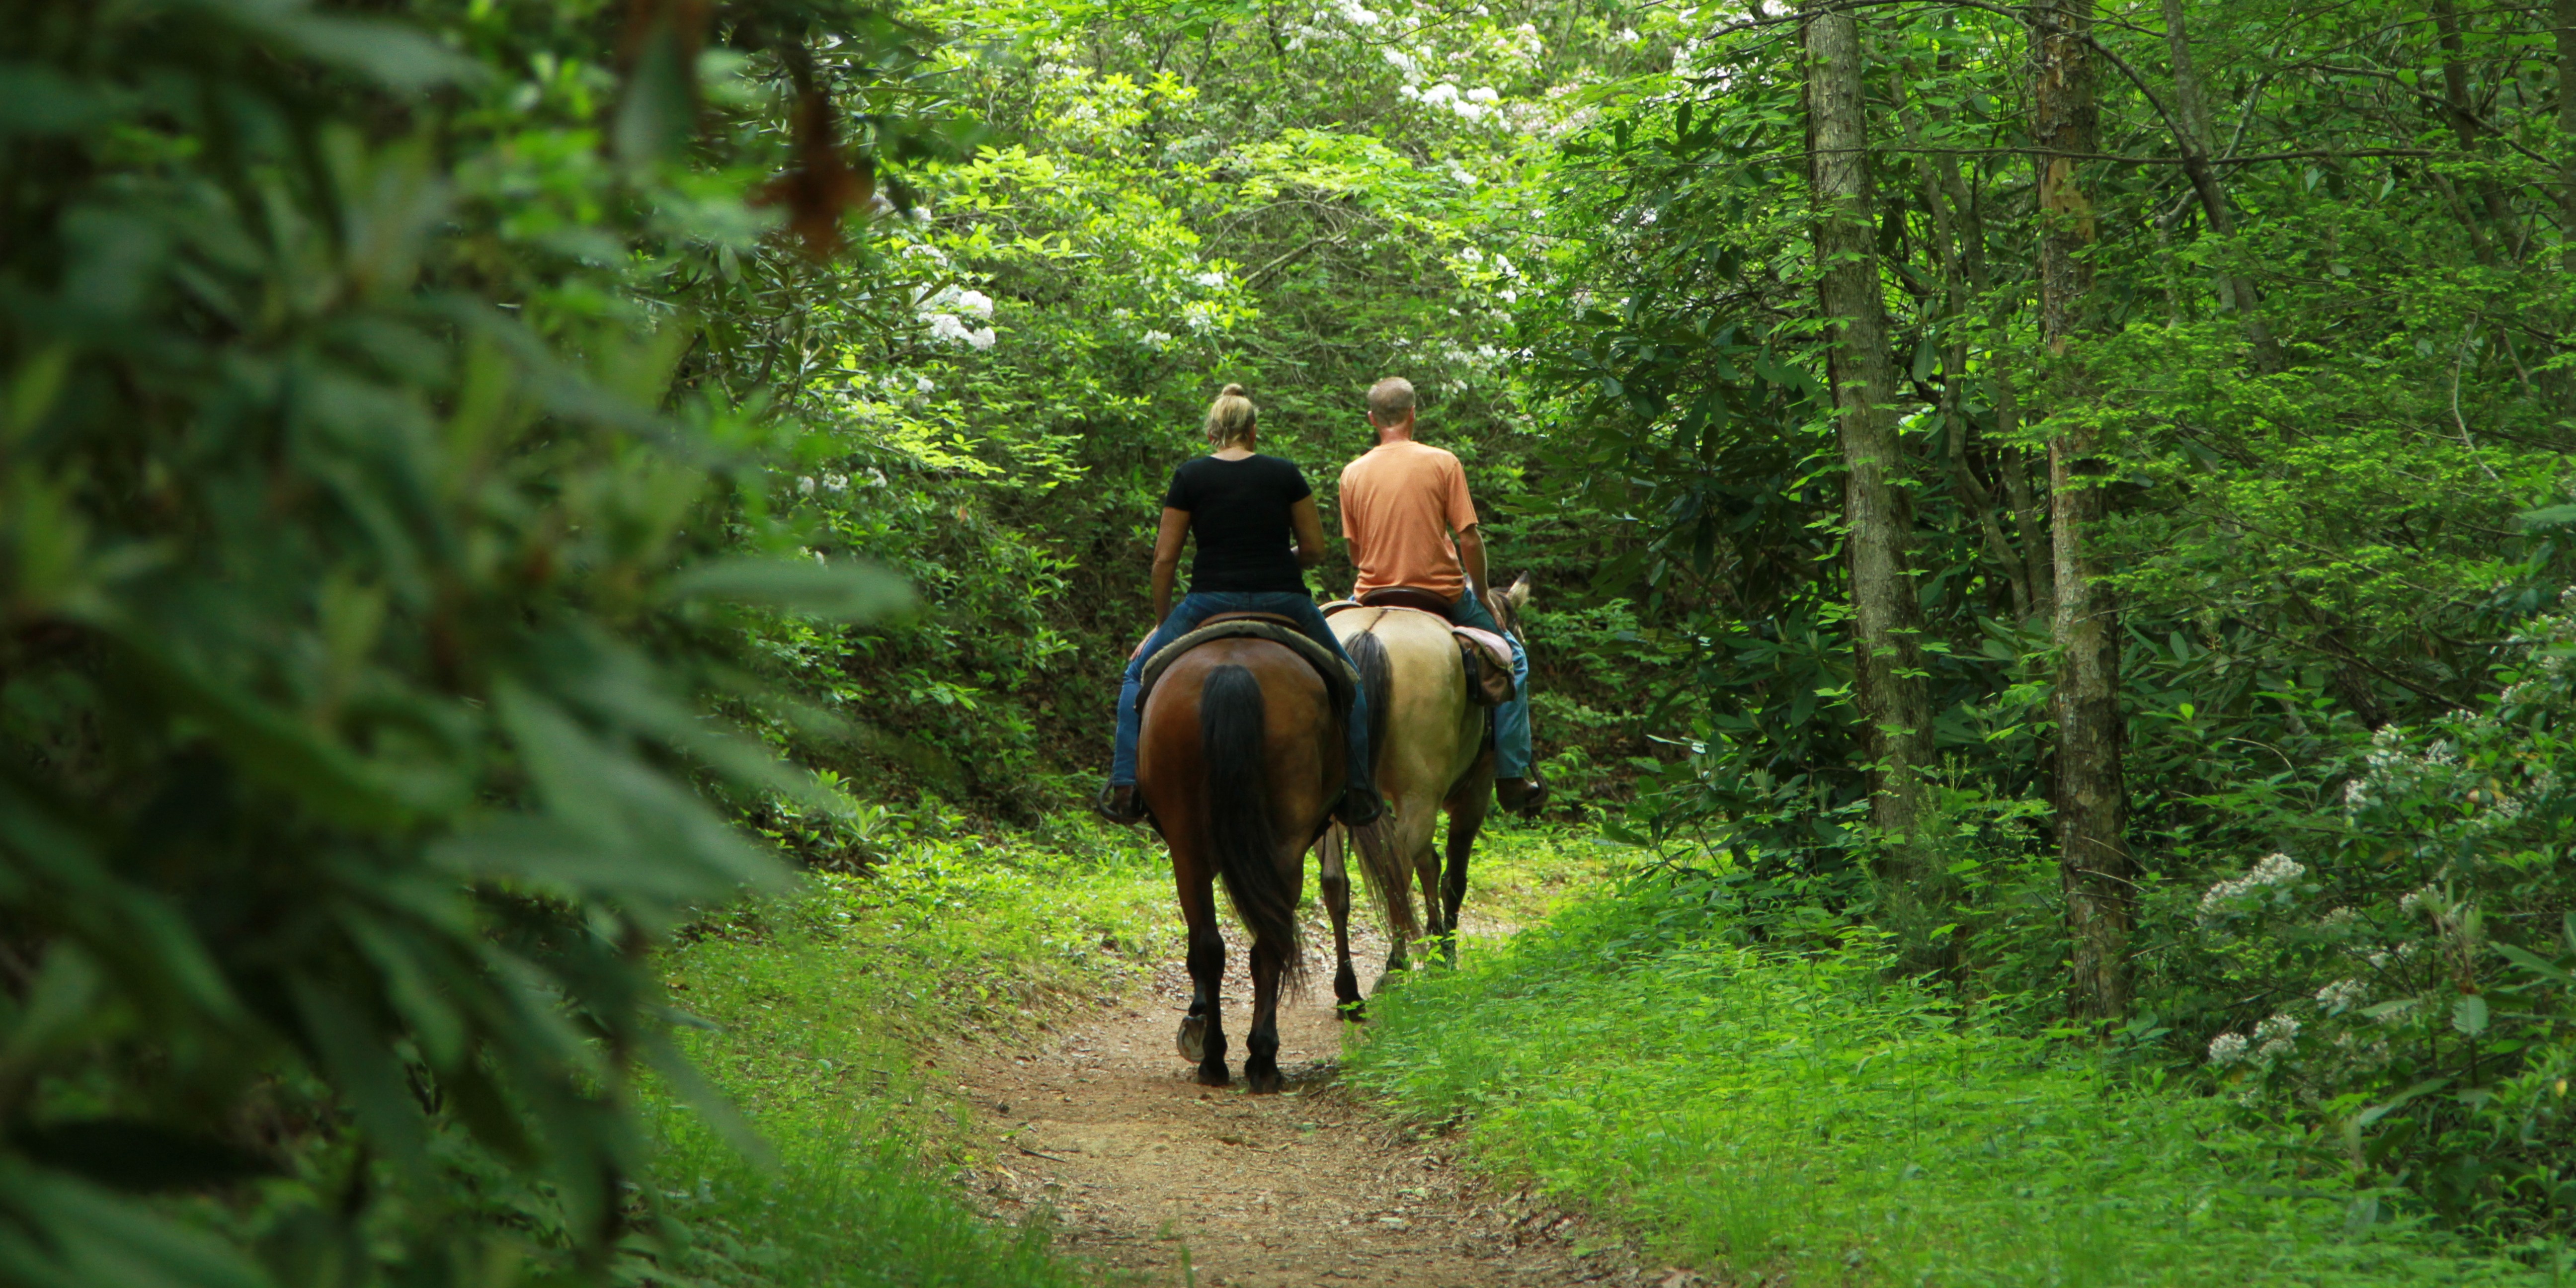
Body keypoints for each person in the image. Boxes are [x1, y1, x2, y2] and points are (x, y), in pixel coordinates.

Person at [1098, 385, 1384, 827]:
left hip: (1208, 599)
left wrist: (1162, 623)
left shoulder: (1190, 476)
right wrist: (1281, 558)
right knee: (1351, 680)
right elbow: (1314, 549)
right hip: (1284, 599)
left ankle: (1125, 787)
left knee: (1136, 674)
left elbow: (1164, 559)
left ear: (1214, 432)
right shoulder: (1285, 473)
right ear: (1252, 431)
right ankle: (1360, 789)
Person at [1335, 376, 1545, 815]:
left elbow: (1355, 553)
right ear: (1414, 414)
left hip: (1372, 596)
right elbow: (1468, 539)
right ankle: (1511, 773)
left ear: (1373, 420)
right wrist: (1485, 595)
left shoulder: (1352, 473)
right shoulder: (1443, 463)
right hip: (1439, 594)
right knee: (1513, 657)